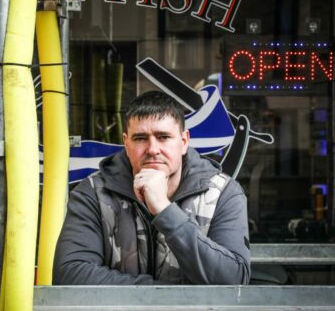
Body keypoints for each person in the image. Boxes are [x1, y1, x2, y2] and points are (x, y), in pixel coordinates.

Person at [53, 91, 251, 285]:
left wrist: (165, 210)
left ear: (183, 142)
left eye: (163, 137)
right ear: (126, 143)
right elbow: (71, 274)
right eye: (140, 138)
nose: (153, 149)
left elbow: (233, 279)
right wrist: (164, 296)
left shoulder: (222, 192)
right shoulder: (94, 192)